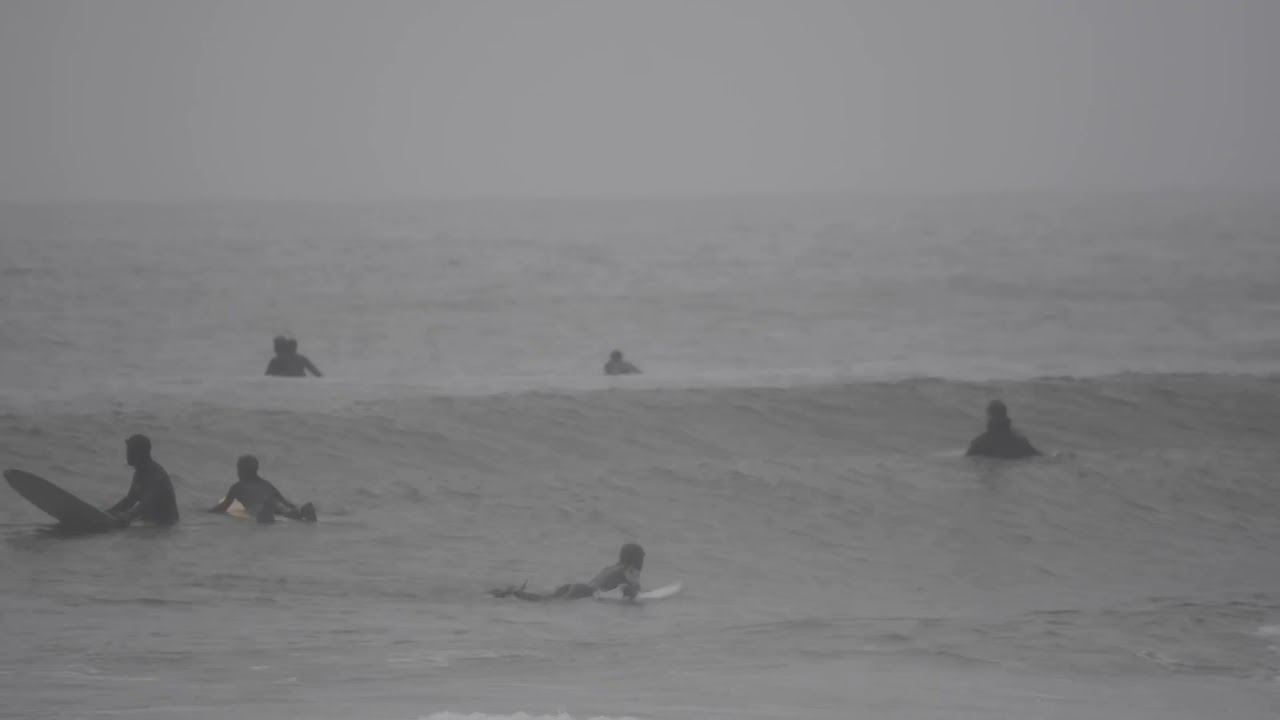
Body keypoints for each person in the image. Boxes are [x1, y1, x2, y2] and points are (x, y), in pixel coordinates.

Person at [491, 543, 645, 601]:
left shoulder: (611, 567)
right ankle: (513, 593)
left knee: (546, 599)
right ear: (636, 562)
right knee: (548, 603)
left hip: (577, 587)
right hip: (584, 591)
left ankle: (508, 593)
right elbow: (632, 592)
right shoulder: (629, 570)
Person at [208, 454, 315, 523]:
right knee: (286, 510)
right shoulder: (267, 484)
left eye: (238, 469)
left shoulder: (237, 487)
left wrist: (206, 512)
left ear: (241, 470)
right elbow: (283, 500)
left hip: (260, 508)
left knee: (261, 513)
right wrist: (293, 507)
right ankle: (303, 513)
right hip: (276, 504)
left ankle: (268, 515)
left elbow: (223, 507)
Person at [107, 434, 179, 526]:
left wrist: (128, 515)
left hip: (165, 529)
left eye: (130, 450)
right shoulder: (139, 473)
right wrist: (107, 513)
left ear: (140, 453)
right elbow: (129, 501)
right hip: (152, 526)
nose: (127, 453)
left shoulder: (157, 476)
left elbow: (146, 504)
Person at [966, 400, 1040, 459]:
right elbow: (1038, 456)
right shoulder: (1021, 441)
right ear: (1005, 414)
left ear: (990, 415)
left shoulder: (980, 443)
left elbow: (968, 459)